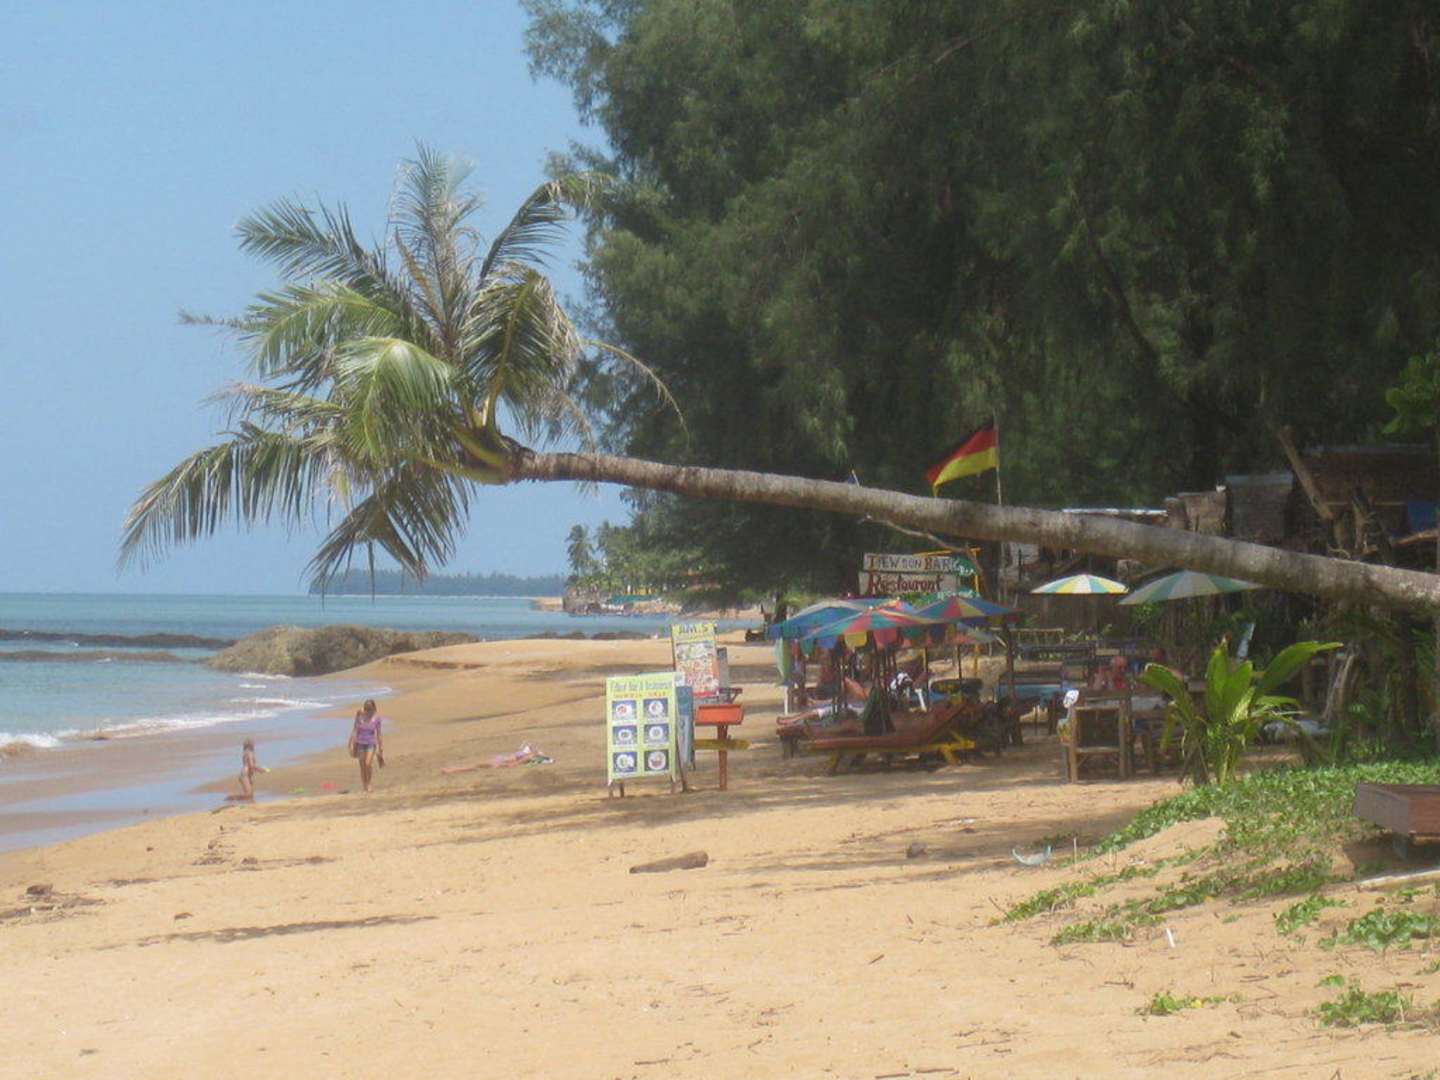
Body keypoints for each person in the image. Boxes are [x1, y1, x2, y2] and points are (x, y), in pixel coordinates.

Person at [348, 699, 385, 793]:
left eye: (370, 708)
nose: (368, 710)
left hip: (371, 744)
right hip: (360, 744)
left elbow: (379, 734)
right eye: (366, 708)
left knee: (368, 764)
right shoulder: (359, 716)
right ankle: (364, 785)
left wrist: (381, 747)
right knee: (362, 766)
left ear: (374, 708)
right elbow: (355, 730)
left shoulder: (377, 719)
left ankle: (369, 784)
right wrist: (351, 743)